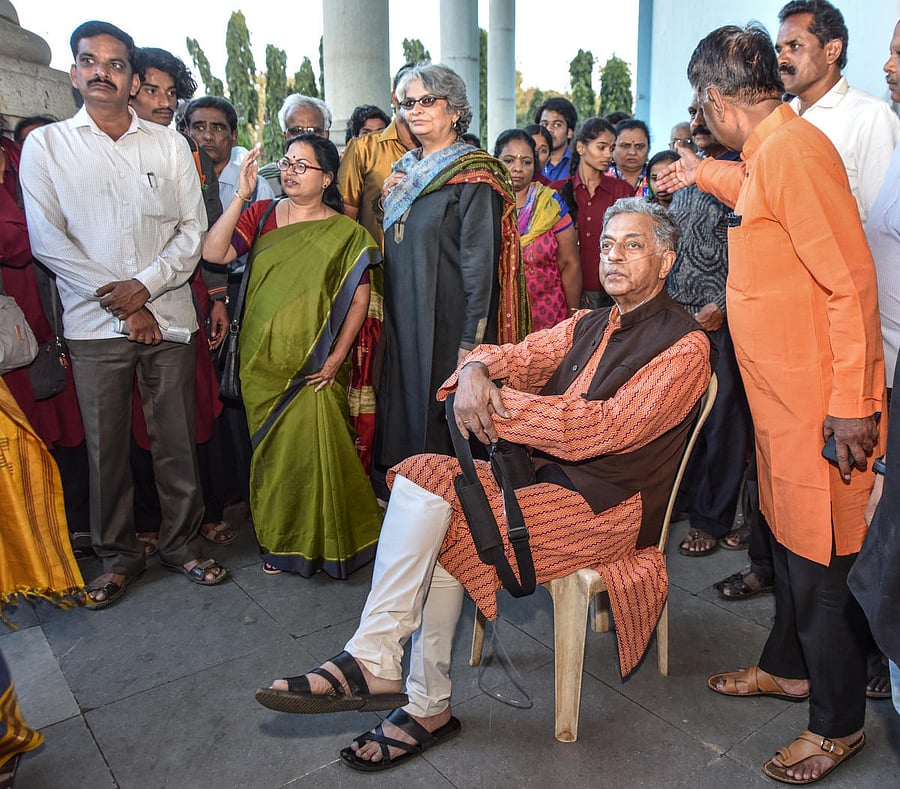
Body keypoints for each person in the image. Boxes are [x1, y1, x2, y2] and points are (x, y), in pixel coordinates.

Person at [254, 199, 712, 772]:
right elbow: (513, 355)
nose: (613, 256)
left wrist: (500, 403)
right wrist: (474, 371)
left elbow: (604, 429)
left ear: (666, 261)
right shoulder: (589, 322)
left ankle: (425, 704)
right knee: (423, 475)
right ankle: (375, 656)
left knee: (451, 519)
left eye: (633, 245)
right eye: (607, 245)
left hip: (608, 510)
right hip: (543, 480)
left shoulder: (686, 345)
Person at [658, 24, 884, 785]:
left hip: (824, 411)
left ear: (718, 99)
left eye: (701, 101)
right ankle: (788, 668)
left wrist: (854, 405)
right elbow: (756, 195)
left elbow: (851, 283)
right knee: (788, 551)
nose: (702, 111)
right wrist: (698, 174)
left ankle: (838, 722)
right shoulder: (771, 153)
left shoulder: (797, 152)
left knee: (823, 567)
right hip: (783, 406)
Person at [21, 20, 228, 608]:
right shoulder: (49, 146)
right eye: (90, 62)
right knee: (105, 445)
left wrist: (144, 288)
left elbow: (193, 232)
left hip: (167, 317)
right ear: (73, 73)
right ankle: (117, 557)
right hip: (93, 325)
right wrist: (121, 301)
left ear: (133, 79)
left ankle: (182, 545)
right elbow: (47, 241)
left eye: (115, 65)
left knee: (176, 442)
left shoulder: (168, 145)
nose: (101, 73)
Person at [202, 134, 383, 578]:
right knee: (273, 460)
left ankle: (336, 541)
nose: (290, 171)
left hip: (316, 365)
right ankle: (282, 542)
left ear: (326, 178)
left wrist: (336, 360)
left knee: (321, 454)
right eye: (288, 162)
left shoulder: (347, 233)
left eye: (303, 166)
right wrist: (242, 194)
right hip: (262, 363)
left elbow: (359, 303)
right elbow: (213, 253)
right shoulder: (261, 214)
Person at [371, 62, 530, 496]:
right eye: (408, 103)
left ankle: (455, 537)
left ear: (455, 110)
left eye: (427, 101)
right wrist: (383, 203)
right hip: (402, 322)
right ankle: (407, 519)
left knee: (443, 439)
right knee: (402, 422)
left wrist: (471, 349)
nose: (415, 111)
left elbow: (482, 271)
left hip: (449, 332)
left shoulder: (473, 175)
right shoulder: (405, 175)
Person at [128, 46, 234, 551]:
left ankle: (205, 513)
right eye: (152, 90)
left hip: (186, 296)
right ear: (128, 86)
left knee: (197, 407)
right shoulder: (92, 148)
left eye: (172, 93)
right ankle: (148, 522)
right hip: (114, 304)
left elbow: (210, 232)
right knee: (135, 416)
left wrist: (217, 298)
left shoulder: (193, 156)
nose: (164, 102)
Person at [666, 94, 752, 561]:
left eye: (705, 112)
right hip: (681, 321)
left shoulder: (742, 171)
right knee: (683, 416)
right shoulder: (693, 170)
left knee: (721, 421)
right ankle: (684, 500)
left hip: (722, 319)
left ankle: (712, 518)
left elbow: (752, 250)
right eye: (693, 113)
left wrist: (721, 304)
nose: (697, 121)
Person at [1, 112, 90, 559]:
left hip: (43, 325)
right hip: (14, 334)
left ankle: (73, 529)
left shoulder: (20, 167)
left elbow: (21, 241)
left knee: (65, 429)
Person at [337, 66, 420, 471]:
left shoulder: (444, 154)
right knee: (371, 377)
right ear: (394, 97)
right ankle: (370, 469)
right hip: (375, 281)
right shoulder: (365, 149)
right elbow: (346, 225)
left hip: (424, 284)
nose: (417, 105)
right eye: (410, 95)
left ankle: (418, 468)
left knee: (416, 378)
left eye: (428, 96)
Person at [776, 0, 900, 224]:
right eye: (779, 49)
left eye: (794, 46)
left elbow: (884, 222)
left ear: (832, 50)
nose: (782, 59)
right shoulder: (780, 119)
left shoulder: (869, 116)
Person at [494, 128, 580, 329]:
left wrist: (572, 318)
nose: (517, 168)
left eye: (526, 162)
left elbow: (570, 263)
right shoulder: (484, 203)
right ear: (495, 161)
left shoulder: (549, 205)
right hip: (497, 322)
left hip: (548, 321)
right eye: (508, 160)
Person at [552, 117, 634, 310]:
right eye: (601, 147)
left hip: (612, 292)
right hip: (565, 290)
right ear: (581, 147)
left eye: (611, 148)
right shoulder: (557, 191)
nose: (608, 154)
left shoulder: (622, 191)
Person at [258, 94, 332, 196]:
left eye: (313, 130)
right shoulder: (265, 179)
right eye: (297, 130)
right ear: (286, 136)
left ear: (325, 135)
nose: (305, 137)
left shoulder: (343, 177)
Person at [534, 97, 577, 181]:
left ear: (569, 132)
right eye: (544, 124)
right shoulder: (528, 162)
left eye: (557, 124)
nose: (549, 129)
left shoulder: (579, 164)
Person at [610, 119, 651, 196]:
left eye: (639, 146)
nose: (632, 152)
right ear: (612, 147)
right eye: (625, 145)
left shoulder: (657, 178)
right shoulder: (600, 178)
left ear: (648, 148)